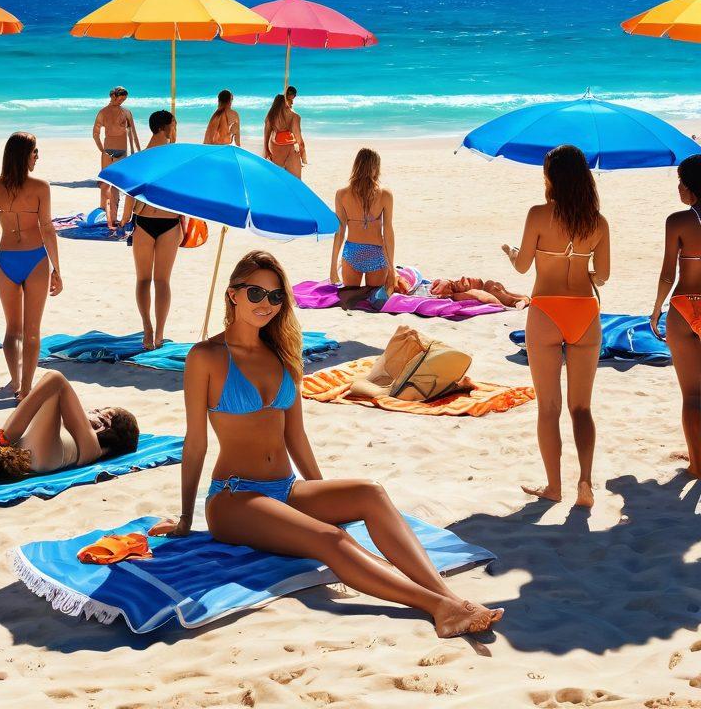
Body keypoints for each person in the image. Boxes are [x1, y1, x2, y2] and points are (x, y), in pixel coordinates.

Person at [150, 250, 502, 637]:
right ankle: (438, 607)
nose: (266, 304)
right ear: (233, 294)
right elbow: (196, 443)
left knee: (370, 492)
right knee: (330, 539)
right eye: (255, 294)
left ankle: (446, 593)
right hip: (235, 498)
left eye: (275, 296)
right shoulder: (207, 356)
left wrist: (320, 493)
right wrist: (186, 518)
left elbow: (295, 435)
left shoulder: (283, 353)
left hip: (285, 489)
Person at [503, 144, 610, 508]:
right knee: (582, 408)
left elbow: (522, 268)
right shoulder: (597, 221)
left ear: (551, 177)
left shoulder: (538, 214)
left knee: (549, 407)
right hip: (584, 310)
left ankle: (554, 486)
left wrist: (513, 255)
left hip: (546, 310)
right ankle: (585, 483)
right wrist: (582, 269)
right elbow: (605, 275)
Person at [0, 132, 63, 401]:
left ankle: (16, 380)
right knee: (31, 330)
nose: (37, 157)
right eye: (34, 152)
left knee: (12, 328)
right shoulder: (40, 187)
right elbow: (48, 229)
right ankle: (26, 387)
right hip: (35, 259)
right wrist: (57, 269)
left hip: (5, 259)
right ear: (23, 155)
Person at [0, 368, 139, 480]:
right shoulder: (83, 437)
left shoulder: (92, 447)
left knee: (55, 378)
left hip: (45, 455)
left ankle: (2, 436)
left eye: (101, 413)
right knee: (53, 390)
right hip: (41, 455)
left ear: (105, 427)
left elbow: (58, 382)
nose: (93, 411)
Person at [649, 153, 701, 478]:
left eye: (681, 181)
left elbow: (668, 273)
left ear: (692, 187)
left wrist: (656, 310)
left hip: (683, 305)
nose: (678, 187)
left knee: (693, 394)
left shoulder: (678, 221)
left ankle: (697, 464)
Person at [119, 110, 180, 350]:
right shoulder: (175, 159)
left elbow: (129, 194)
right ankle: (159, 334)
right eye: (174, 125)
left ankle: (148, 329)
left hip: (143, 220)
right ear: (166, 127)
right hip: (170, 223)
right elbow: (180, 196)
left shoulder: (141, 157)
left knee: (143, 279)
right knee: (162, 280)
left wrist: (125, 220)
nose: (175, 129)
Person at [330, 148, 396, 293]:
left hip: (352, 254)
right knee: (373, 298)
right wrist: (392, 268)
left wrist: (333, 267)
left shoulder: (342, 194)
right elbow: (388, 232)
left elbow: (339, 232)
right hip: (377, 254)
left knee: (351, 296)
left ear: (357, 166)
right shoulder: (385, 195)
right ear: (376, 168)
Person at [93, 86, 140, 229]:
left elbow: (132, 134)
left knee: (114, 186)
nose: (121, 102)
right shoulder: (112, 112)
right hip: (112, 152)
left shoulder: (118, 112)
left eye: (123, 100)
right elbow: (95, 134)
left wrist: (136, 151)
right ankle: (108, 216)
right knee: (107, 185)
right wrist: (102, 150)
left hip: (115, 151)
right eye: (120, 99)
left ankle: (112, 217)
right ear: (113, 96)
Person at [263, 93, 305, 177]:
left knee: (277, 180)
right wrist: (303, 155)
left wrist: (266, 149)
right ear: (285, 103)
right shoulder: (294, 116)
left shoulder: (271, 117)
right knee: (295, 181)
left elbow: (266, 134)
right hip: (291, 150)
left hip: (275, 148)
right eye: (290, 101)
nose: (292, 103)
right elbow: (299, 139)